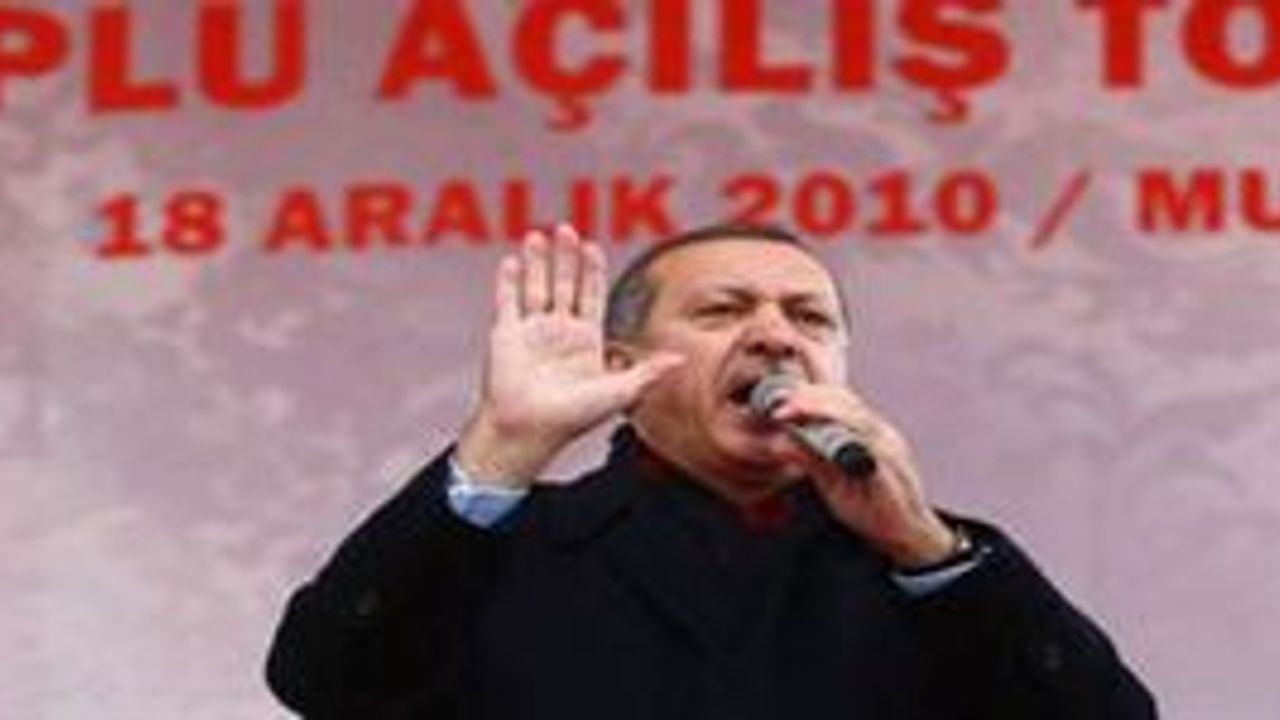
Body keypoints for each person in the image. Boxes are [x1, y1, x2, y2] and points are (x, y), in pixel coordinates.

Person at [265, 223, 1158, 720]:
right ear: (621, 366)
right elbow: (324, 681)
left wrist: (926, 547)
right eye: (724, 310)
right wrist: (502, 445)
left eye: (810, 319)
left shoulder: (927, 574)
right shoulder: (510, 549)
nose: (776, 336)